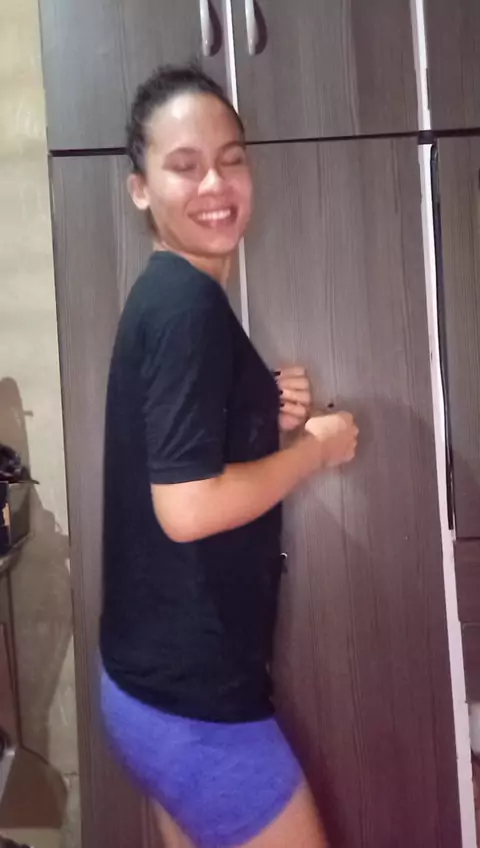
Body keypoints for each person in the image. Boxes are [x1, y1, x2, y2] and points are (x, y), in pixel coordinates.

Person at [99, 64, 358, 848]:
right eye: (184, 166)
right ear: (140, 188)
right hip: (196, 704)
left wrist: (256, 407)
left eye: (231, 159)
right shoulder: (187, 306)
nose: (214, 184)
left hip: (148, 686)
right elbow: (187, 507)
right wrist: (314, 451)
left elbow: (175, 444)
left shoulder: (171, 294)